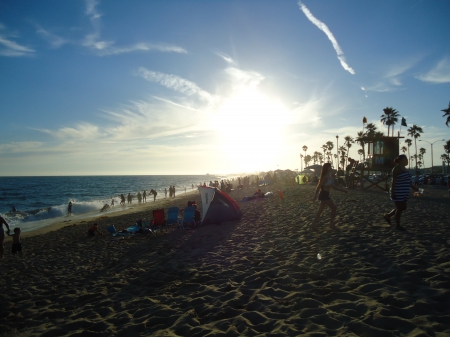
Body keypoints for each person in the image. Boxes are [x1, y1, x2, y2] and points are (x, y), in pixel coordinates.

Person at [383, 155, 419, 230]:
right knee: (399, 208)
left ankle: (388, 215)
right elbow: (394, 182)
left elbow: (408, 181)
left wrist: (414, 188)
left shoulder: (405, 168)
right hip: (398, 191)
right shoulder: (396, 169)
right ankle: (397, 225)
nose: (407, 161)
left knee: (403, 207)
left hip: (405, 191)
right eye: (405, 159)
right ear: (400, 160)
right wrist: (393, 192)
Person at [311, 162, 348, 229]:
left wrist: (342, 190)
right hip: (324, 194)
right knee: (334, 208)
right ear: (327, 168)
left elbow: (333, 187)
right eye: (330, 167)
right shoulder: (324, 177)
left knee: (320, 210)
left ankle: (313, 224)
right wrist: (315, 196)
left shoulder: (329, 176)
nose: (331, 168)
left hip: (326, 194)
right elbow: (318, 186)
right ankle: (331, 224)